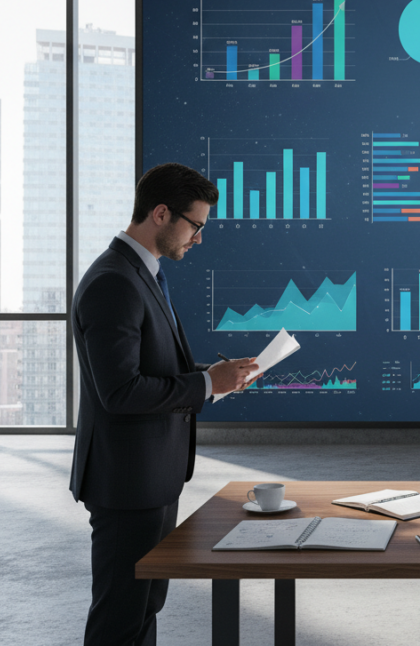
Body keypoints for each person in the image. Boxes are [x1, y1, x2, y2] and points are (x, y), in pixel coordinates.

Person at [69, 162, 260, 646]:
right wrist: (204, 386)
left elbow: (150, 367)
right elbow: (120, 392)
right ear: (160, 213)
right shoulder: (114, 281)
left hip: (152, 477)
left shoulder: (143, 272)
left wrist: (213, 379)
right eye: (195, 225)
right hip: (126, 484)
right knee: (120, 617)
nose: (198, 239)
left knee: (143, 609)